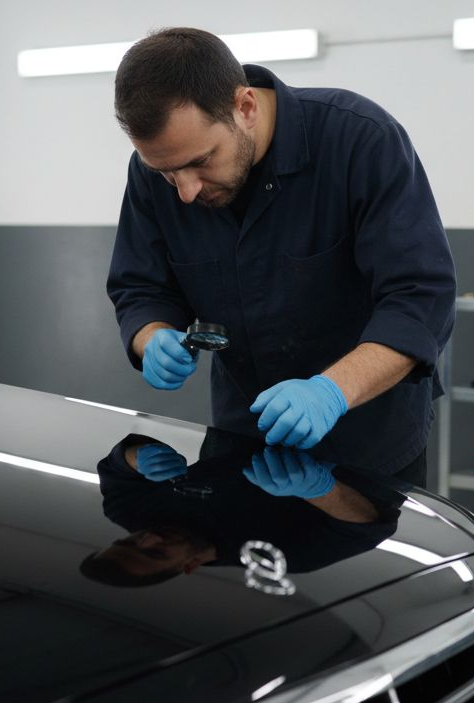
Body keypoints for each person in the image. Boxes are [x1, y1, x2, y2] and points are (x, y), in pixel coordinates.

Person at [106, 27, 455, 486]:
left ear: (245, 107)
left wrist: (331, 392)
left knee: (359, 561)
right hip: (243, 443)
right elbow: (142, 286)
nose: (185, 191)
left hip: (369, 442)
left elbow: (420, 297)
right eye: (167, 173)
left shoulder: (360, 141)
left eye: (201, 162)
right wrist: (151, 336)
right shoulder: (158, 170)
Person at [80, 432, 401, 588]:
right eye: (155, 554)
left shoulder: (129, 511)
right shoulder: (272, 559)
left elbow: (118, 467)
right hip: (368, 447)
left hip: (254, 409)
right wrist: (319, 488)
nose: (148, 538)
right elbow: (365, 525)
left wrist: (140, 456)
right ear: (189, 566)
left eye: (128, 542)